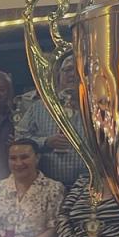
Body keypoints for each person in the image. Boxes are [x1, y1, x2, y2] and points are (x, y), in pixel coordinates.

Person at [15, 56, 86, 188]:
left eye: (78, 70)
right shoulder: (39, 107)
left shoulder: (94, 109)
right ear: (59, 75)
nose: (72, 74)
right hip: (46, 189)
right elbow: (19, 139)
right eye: (68, 70)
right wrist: (45, 142)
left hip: (87, 190)